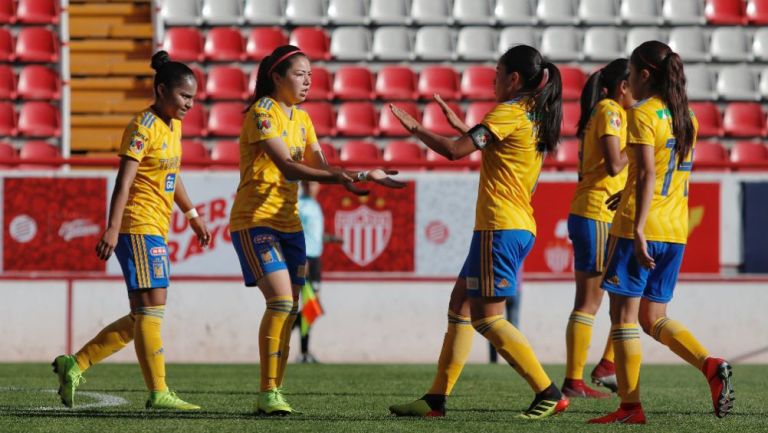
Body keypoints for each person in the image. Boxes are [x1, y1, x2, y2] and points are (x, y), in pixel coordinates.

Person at [388, 44, 569, 420]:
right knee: (460, 306)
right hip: (511, 225)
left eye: (497, 75)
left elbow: (456, 152)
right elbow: (496, 150)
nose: (493, 82)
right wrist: (465, 128)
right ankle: (435, 399)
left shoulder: (508, 112)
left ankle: (548, 392)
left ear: (514, 79)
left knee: (487, 318)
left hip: (500, 226)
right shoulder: (534, 114)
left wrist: (417, 128)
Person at [229, 44, 404, 416]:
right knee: (279, 302)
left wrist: (359, 175)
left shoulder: (304, 120)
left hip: (290, 225)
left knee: (291, 309)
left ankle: (275, 391)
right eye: (299, 73)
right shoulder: (263, 113)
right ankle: (267, 390)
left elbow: (323, 167)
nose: (307, 81)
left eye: (310, 74)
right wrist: (343, 175)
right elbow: (289, 167)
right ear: (276, 77)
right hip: (255, 220)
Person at [52, 50, 210, 410]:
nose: (190, 104)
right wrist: (112, 228)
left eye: (193, 98)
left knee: (143, 314)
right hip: (137, 225)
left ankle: (74, 364)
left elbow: (171, 174)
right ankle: (158, 391)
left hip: (155, 226)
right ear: (161, 89)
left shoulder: (175, 126)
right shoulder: (143, 127)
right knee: (152, 310)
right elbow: (123, 183)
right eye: (184, 96)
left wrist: (192, 213)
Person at [589, 41, 734, 424]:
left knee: (622, 317)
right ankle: (709, 365)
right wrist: (628, 191)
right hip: (674, 229)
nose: (629, 82)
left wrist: (635, 227)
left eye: (633, 75)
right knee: (653, 316)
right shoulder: (687, 116)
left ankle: (630, 407)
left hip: (641, 226)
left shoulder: (642, 114)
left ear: (645, 75)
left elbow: (650, 172)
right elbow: (663, 171)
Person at [562, 59, 635, 398]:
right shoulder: (611, 111)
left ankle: (604, 365)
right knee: (590, 302)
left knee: (624, 293)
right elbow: (614, 165)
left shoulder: (602, 111)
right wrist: (637, 142)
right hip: (597, 213)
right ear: (624, 86)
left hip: (594, 212)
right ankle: (575, 380)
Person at [296, 180, 342, 363]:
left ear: (319, 186)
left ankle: (303, 352)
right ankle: (299, 350)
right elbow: (296, 233)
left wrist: (330, 238)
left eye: (312, 184)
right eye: (306, 184)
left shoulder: (314, 205)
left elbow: (312, 234)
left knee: (311, 308)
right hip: (305, 259)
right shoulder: (300, 204)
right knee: (310, 306)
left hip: (315, 260)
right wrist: (301, 257)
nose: (309, 187)